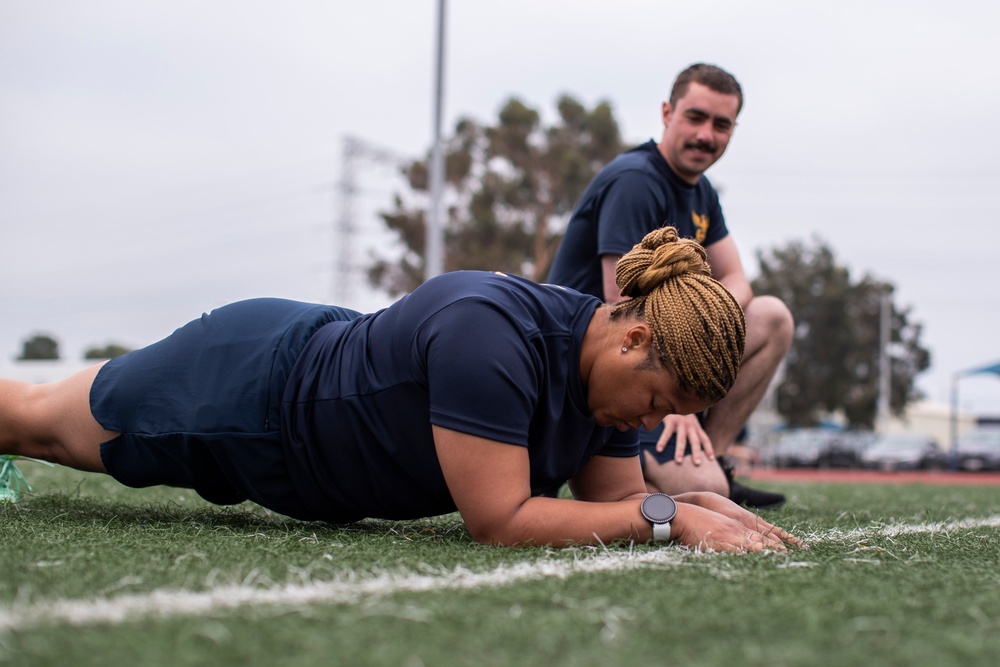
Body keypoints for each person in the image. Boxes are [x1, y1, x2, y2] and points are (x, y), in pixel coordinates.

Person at [0, 228, 800, 553]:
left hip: (312, 372)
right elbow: (502, 519)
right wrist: (675, 518)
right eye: (663, 401)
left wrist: (703, 508)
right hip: (249, 390)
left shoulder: (609, 383)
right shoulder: (492, 336)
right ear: (633, 338)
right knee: (34, 423)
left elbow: (615, 501)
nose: (657, 423)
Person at [547, 63, 793, 508]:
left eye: (721, 125)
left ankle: (711, 458)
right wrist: (679, 398)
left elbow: (737, 280)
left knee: (771, 318)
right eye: (695, 118)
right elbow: (621, 308)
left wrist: (705, 322)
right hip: (600, 369)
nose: (706, 135)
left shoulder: (702, 192)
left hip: (659, 350)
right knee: (707, 497)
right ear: (667, 112)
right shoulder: (636, 181)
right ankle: (599, 467)